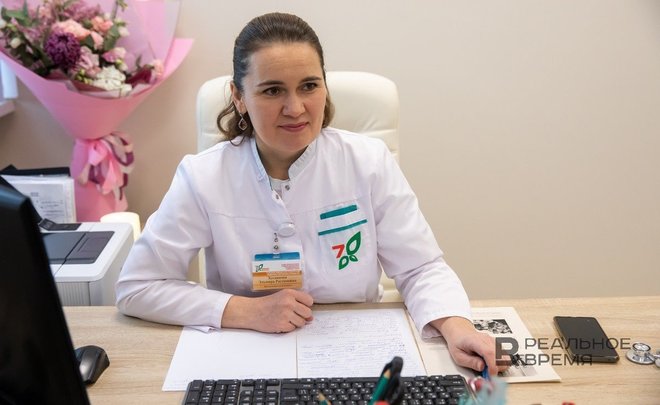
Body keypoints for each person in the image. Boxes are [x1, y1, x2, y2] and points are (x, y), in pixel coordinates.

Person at [115, 12, 508, 376]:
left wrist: (457, 328)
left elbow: (420, 268)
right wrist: (243, 311)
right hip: (248, 353)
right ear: (239, 97)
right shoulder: (203, 177)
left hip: (356, 351)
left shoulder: (367, 161)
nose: (295, 108)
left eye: (309, 86)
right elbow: (138, 287)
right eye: (272, 90)